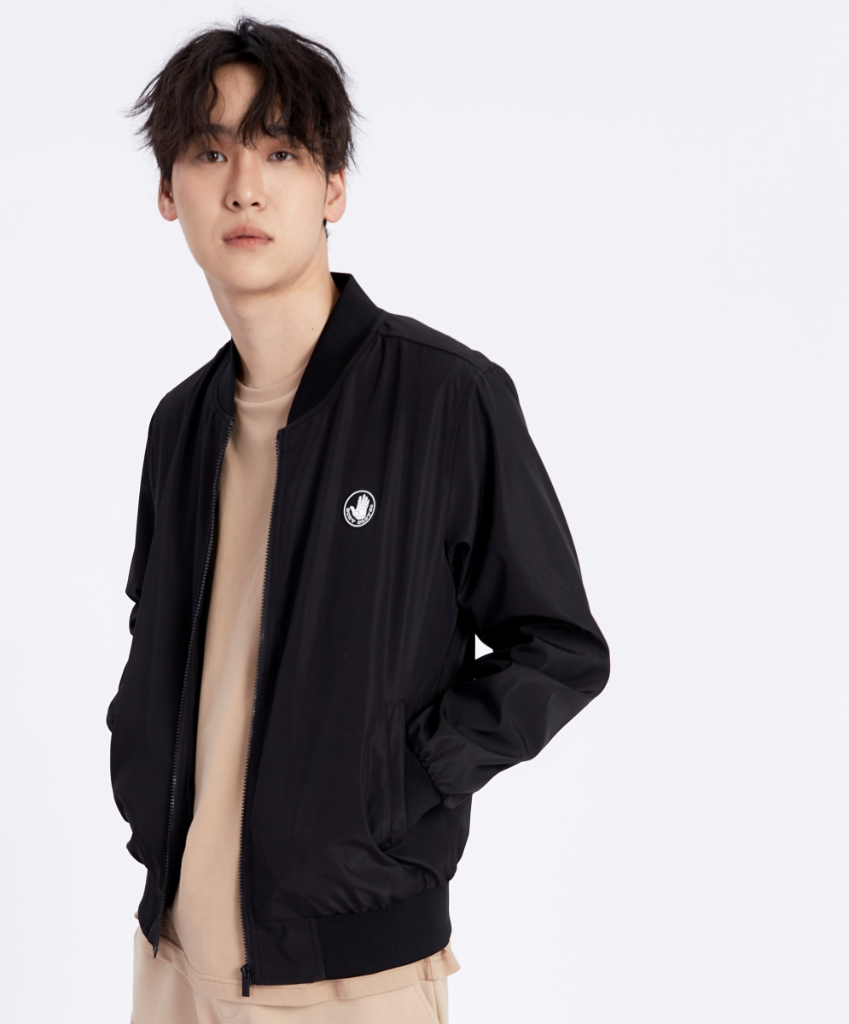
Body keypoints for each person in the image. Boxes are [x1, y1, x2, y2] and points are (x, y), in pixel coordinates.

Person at [106, 17, 610, 1024]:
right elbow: (158, 636)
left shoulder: (443, 398)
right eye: (208, 152)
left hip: (351, 973)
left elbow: (558, 646)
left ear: (333, 187)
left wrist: (401, 778)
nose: (244, 187)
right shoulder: (181, 424)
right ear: (169, 192)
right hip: (173, 957)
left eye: (281, 152)